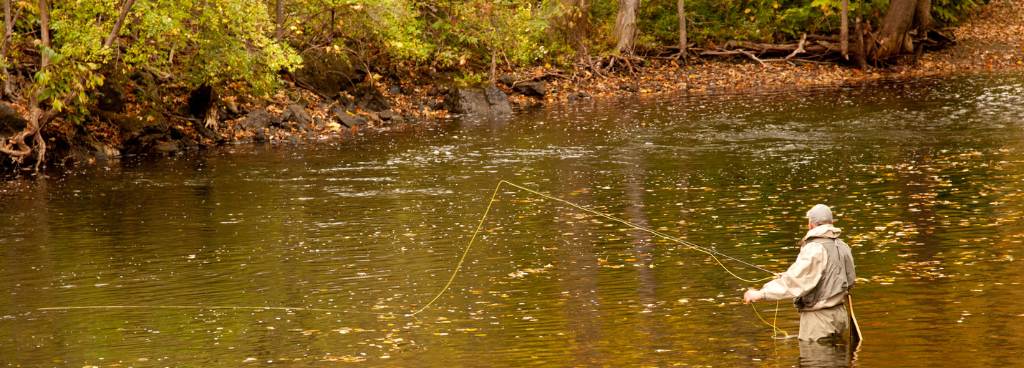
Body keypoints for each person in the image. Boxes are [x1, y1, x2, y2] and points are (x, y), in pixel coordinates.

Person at [743, 204, 856, 342]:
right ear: (832, 223)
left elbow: (795, 282)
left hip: (818, 322)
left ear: (810, 225)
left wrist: (761, 293)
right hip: (840, 317)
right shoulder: (844, 246)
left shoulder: (814, 248)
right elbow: (849, 281)